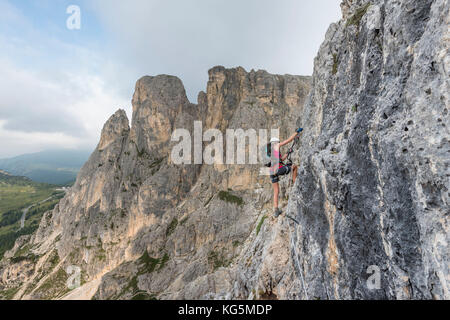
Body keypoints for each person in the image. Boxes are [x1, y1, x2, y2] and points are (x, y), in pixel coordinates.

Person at [270, 128, 303, 217]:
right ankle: (295, 183)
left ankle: (276, 210)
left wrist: (288, 153)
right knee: (294, 167)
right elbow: (288, 140)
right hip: (278, 169)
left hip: (272, 172)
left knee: (276, 190)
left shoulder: (272, 152)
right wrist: (296, 132)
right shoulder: (276, 146)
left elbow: (281, 160)